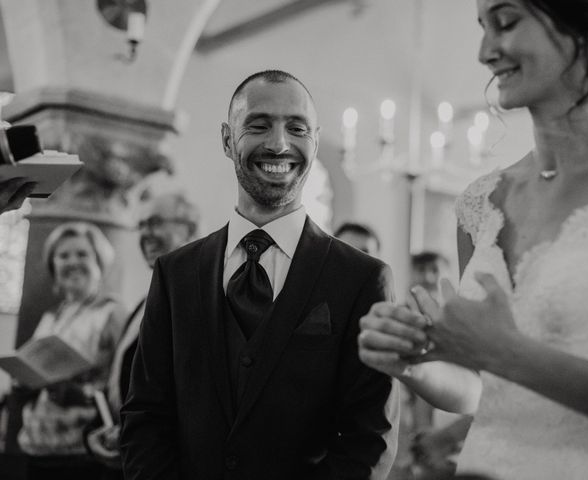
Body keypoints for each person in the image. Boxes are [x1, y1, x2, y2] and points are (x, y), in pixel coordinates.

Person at [358, 1, 588, 479]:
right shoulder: (479, 203)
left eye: (506, 23)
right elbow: (481, 391)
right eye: (482, 28)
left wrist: (502, 350)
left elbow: (500, 357)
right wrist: (414, 365)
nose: (486, 52)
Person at [120, 70, 399, 479]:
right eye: (259, 125)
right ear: (227, 140)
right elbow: (145, 414)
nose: (279, 144)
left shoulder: (363, 279)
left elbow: (369, 436)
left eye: (297, 128)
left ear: (315, 141)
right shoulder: (175, 272)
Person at [85, 192, 200, 479]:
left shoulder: (198, 298)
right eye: (142, 226)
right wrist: (100, 431)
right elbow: (124, 379)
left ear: (190, 229)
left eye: (156, 223)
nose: (146, 234)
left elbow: (192, 394)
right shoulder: (144, 301)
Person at [16, 222, 126, 479]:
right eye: (63, 255)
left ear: (99, 262)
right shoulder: (53, 315)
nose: (72, 262)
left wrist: (82, 394)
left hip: (84, 448)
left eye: (82, 254)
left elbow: (127, 378)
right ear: (53, 265)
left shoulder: (112, 312)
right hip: (39, 445)